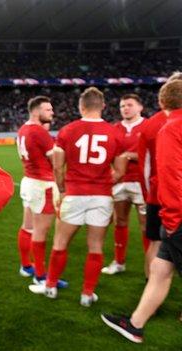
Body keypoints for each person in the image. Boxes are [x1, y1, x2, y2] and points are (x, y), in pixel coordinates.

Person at [101, 79, 182, 344]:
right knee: (160, 267)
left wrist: (170, 218)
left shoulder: (169, 127)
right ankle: (135, 324)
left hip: (174, 210)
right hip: (159, 200)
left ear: (160, 102)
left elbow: (170, 176)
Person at [29, 87, 126, 307]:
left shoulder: (68, 130)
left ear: (81, 106)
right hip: (101, 196)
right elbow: (120, 171)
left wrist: (63, 189)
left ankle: (51, 286)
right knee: (96, 246)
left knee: (61, 242)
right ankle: (87, 294)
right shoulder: (114, 133)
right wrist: (101, 183)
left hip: (74, 193)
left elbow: (57, 167)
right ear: (102, 106)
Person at [15, 96, 67, 288]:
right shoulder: (39, 132)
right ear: (36, 111)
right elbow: (56, 163)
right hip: (42, 185)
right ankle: (40, 275)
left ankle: (25, 265)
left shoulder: (23, 129)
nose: (52, 113)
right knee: (40, 232)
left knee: (27, 226)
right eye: (48, 109)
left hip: (28, 181)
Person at [137, 72, 182, 277]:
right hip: (168, 196)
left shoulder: (152, 124)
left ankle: (150, 283)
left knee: (156, 244)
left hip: (159, 195)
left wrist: (147, 195)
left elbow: (144, 167)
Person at [102, 94, 148, 276]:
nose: (126, 109)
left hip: (142, 183)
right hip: (120, 182)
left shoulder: (148, 126)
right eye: (122, 106)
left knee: (146, 225)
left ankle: (150, 263)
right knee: (120, 221)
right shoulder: (115, 129)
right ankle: (119, 262)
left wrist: (129, 156)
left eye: (129, 105)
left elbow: (155, 153)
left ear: (140, 107)